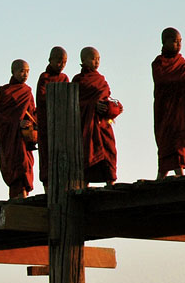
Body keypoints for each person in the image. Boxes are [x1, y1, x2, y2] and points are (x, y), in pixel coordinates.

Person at [153, 27, 185, 178]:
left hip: (180, 113)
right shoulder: (158, 64)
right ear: (165, 42)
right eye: (175, 41)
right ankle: (165, 176)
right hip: (165, 111)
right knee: (167, 143)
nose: (178, 44)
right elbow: (164, 81)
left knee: (179, 141)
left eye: (180, 41)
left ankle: (174, 175)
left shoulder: (182, 63)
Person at [72, 47, 124, 185]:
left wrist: (112, 108)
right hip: (88, 126)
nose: (96, 61)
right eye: (93, 58)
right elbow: (74, 103)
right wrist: (92, 105)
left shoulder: (100, 79)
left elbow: (106, 97)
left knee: (109, 151)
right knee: (88, 152)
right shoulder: (78, 81)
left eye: (98, 58)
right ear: (83, 60)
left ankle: (110, 182)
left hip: (103, 125)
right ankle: (85, 184)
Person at [0, 59, 37, 199]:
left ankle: (24, 194)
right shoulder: (7, 92)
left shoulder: (27, 92)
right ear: (13, 72)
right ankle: (20, 196)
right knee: (19, 166)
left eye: (27, 71)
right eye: (22, 71)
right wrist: (17, 123)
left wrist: (31, 124)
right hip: (12, 139)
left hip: (24, 139)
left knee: (26, 166)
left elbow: (33, 113)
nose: (25, 74)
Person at [36, 46, 69, 187]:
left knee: (63, 157)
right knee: (47, 158)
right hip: (47, 125)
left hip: (62, 126)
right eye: (59, 62)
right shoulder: (44, 78)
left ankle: (64, 186)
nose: (61, 65)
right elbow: (42, 98)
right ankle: (48, 189)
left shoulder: (65, 78)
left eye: (64, 62)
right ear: (50, 60)